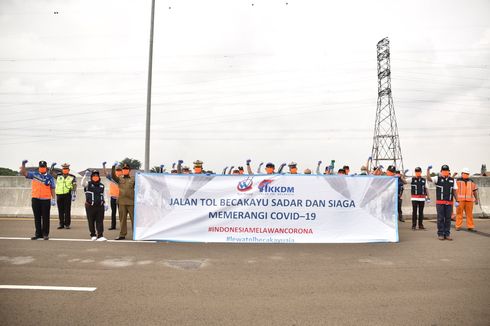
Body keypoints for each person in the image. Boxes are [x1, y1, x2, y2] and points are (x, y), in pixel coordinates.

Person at [20, 160, 56, 240]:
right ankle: (38, 234)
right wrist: (23, 165)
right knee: (37, 217)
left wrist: (53, 198)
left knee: (46, 218)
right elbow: (24, 173)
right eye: (41, 167)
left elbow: (52, 188)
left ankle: (45, 234)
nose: (42, 168)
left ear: (46, 168)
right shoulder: (34, 174)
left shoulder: (50, 177)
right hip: (35, 199)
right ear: (39, 167)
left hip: (46, 199)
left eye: (43, 167)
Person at [427, 165, 458, 240]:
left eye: (446, 171)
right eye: (443, 171)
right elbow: (429, 179)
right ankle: (440, 234)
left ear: (448, 172)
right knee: (440, 218)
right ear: (441, 172)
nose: (445, 172)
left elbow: (454, 191)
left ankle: (447, 234)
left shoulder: (452, 180)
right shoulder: (437, 178)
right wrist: (428, 170)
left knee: (448, 219)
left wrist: (457, 200)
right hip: (440, 203)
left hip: (449, 203)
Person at [112, 163, 135, 240]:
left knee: (134, 220)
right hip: (122, 202)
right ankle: (122, 235)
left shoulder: (133, 179)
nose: (125, 170)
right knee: (122, 220)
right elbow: (113, 176)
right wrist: (113, 167)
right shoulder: (120, 178)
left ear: (129, 170)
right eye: (124, 169)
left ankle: (136, 234)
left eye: (126, 169)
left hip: (131, 202)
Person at [82, 170, 107, 241]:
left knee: (100, 221)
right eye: (94, 176)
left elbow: (104, 195)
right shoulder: (88, 184)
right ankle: (93, 235)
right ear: (91, 177)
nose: (95, 177)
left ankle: (100, 235)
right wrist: (85, 176)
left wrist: (106, 203)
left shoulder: (102, 185)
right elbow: (82, 183)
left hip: (100, 206)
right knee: (91, 221)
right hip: (90, 206)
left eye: (97, 176)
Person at [52, 163, 77, 229]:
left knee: (67, 210)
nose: (65, 170)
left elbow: (74, 186)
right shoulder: (58, 176)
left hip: (67, 195)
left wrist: (74, 194)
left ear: (68, 170)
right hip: (59, 194)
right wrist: (52, 167)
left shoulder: (72, 177)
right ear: (62, 170)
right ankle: (61, 224)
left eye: (66, 169)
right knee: (60, 210)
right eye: (64, 169)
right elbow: (51, 173)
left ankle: (67, 224)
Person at [103, 161, 121, 230]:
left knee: (120, 213)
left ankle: (121, 226)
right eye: (117, 168)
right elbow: (105, 173)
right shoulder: (112, 176)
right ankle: (113, 226)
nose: (118, 169)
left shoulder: (121, 177)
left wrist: (104, 166)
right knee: (114, 212)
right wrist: (104, 166)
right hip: (113, 197)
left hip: (120, 197)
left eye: (118, 168)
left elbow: (105, 173)